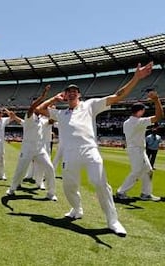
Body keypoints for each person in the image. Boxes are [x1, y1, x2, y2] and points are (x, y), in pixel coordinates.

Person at [35, 62, 154, 237]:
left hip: (90, 150)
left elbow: (117, 96)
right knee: (69, 186)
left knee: (99, 183)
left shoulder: (90, 105)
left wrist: (136, 77)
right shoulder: (60, 114)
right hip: (69, 153)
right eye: (69, 91)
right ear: (65, 95)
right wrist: (54, 99)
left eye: (75, 90)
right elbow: (38, 110)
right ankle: (77, 209)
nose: (72, 92)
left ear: (79, 94)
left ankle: (113, 221)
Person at [6, 85, 57, 201]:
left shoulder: (41, 120)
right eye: (40, 107)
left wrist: (54, 111)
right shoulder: (29, 116)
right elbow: (31, 108)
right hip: (27, 149)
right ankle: (12, 189)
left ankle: (51, 193)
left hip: (40, 150)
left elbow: (52, 120)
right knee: (20, 170)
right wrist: (43, 97)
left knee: (49, 168)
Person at [115, 92, 163, 201]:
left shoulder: (127, 122)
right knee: (137, 171)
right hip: (137, 149)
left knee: (148, 170)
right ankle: (121, 192)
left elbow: (136, 131)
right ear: (140, 111)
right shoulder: (139, 121)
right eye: (143, 110)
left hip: (136, 149)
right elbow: (159, 116)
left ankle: (146, 194)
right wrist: (156, 100)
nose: (144, 112)